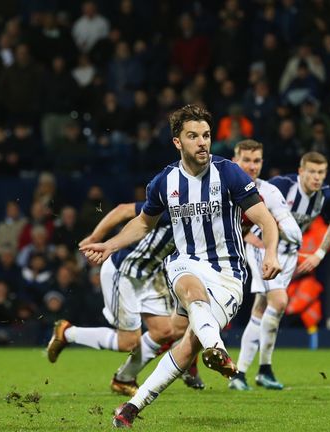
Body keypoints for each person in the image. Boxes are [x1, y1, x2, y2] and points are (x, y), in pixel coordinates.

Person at [80, 105, 282, 428]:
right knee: (188, 285)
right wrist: (109, 243)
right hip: (185, 264)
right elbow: (143, 224)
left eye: (206, 136)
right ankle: (217, 348)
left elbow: (265, 220)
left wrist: (271, 253)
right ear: (177, 142)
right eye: (193, 136)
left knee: (188, 347)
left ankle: (131, 407)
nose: (202, 142)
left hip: (229, 275)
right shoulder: (165, 181)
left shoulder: (228, 173)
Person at [46, 200, 204, 394]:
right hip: (124, 271)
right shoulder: (175, 207)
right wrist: (95, 237)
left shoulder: (205, 218)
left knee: (164, 331)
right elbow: (124, 210)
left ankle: (124, 379)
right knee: (128, 342)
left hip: (150, 276)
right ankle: (68, 333)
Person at [227, 139, 304, 391]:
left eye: (256, 160)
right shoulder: (219, 185)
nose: (251, 166)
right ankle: (253, 371)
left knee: (265, 307)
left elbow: (286, 220)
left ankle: (246, 372)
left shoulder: (268, 191)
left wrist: (292, 234)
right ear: (235, 159)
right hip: (215, 257)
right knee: (273, 303)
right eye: (246, 160)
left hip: (259, 250)